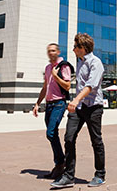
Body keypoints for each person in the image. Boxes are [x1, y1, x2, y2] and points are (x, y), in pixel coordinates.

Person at [51, 34, 106, 188]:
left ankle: (100, 174)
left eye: (75, 47)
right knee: (69, 138)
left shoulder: (96, 63)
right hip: (79, 107)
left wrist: (75, 100)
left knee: (96, 141)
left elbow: (90, 86)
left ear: (83, 48)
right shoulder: (80, 62)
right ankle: (68, 176)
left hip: (93, 107)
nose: (73, 49)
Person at [33, 43, 73, 180]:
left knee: (50, 132)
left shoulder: (63, 66)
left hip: (59, 104)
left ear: (58, 52)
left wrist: (56, 76)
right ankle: (58, 165)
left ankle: (61, 163)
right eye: (49, 51)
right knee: (52, 134)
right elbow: (45, 87)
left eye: (53, 50)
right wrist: (37, 103)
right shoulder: (48, 67)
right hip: (48, 105)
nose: (51, 53)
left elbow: (67, 86)